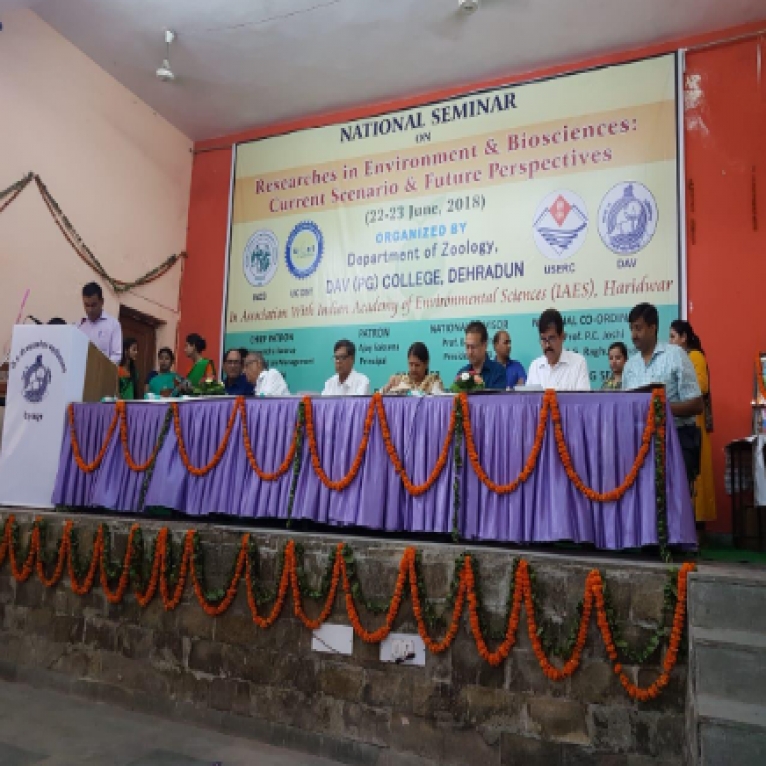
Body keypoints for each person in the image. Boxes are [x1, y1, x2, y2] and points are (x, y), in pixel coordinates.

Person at [622, 303, 702, 490]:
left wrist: (661, 408)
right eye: (631, 328)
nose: (633, 335)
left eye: (638, 328)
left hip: (676, 439)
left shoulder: (676, 355)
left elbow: (697, 404)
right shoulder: (630, 366)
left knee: (675, 501)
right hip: (639, 444)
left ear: (653, 328)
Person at [670, 319, 716, 524]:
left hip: (693, 418)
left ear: (684, 338)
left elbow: (702, 386)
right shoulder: (679, 357)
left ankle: (697, 521)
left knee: (695, 470)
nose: (670, 341)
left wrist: (680, 383)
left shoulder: (694, 355)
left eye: (673, 337)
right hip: (682, 419)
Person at [527, 309, 591, 390]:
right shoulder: (535, 367)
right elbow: (528, 398)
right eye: (543, 339)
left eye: (551, 338)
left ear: (562, 337)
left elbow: (583, 398)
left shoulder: (578, 363)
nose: (547, 345)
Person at [76, 282, 121, 363]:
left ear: (102, 302)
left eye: (93, 305)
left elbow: (117, 356)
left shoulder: (113, 325)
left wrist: (100, 367)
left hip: (102, 370)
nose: (90, 310)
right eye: (87, 305)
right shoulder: (79, 326)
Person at [455, 321, 507, 390]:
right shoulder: (462, 373)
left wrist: (480, 386)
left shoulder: (498, 372)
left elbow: (497, 397)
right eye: (467, 347)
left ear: (485, 346)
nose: (470, 352)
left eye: (473, 347)